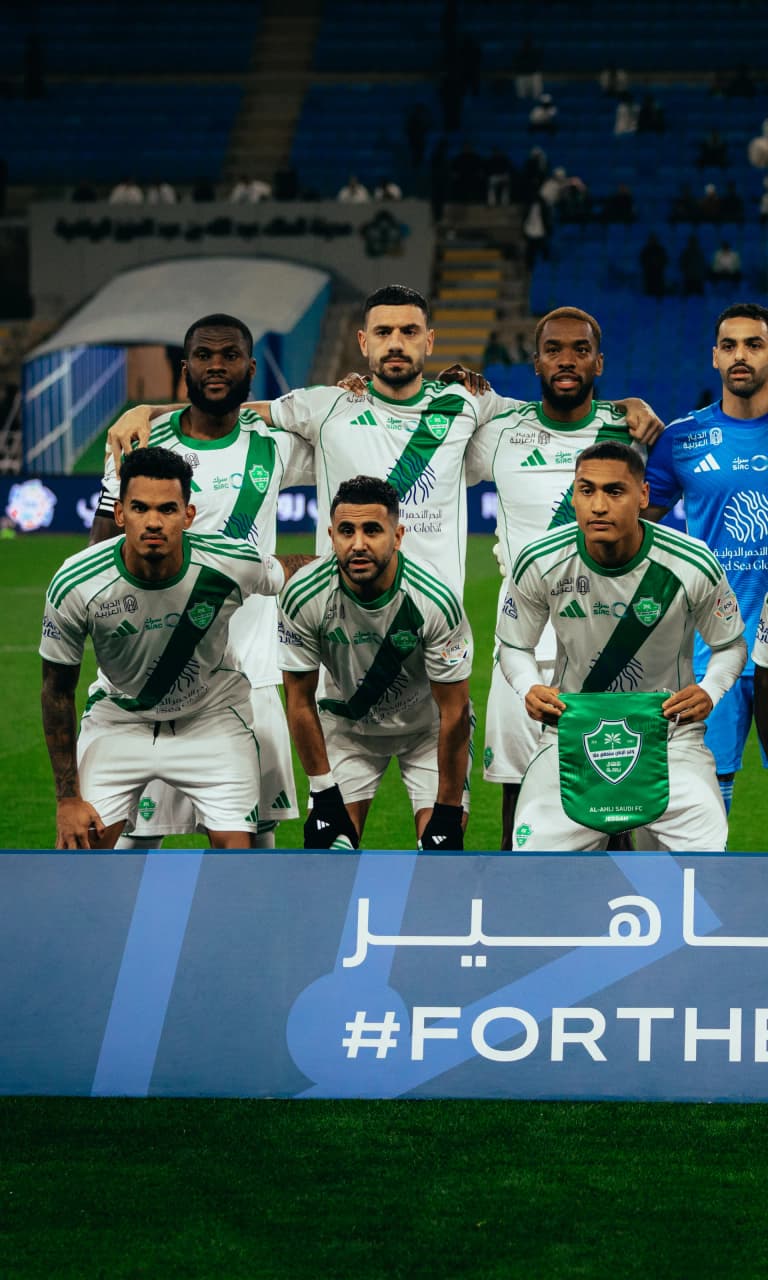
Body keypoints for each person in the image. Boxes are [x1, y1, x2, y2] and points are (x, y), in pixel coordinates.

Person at [90, 313, 313, 850]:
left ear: (251, 369)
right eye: (204, 356)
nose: (216, 366)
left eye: (229, 356)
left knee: (252, 839)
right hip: (151, 668)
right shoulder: (140, 443)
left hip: (250, 672)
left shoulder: (274, 445)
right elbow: (100, 554)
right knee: (131, 842)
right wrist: (148, 413)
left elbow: (345, 427)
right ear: (184, 366)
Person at [40, 448, 306, 850]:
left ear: (188, 515)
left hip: (210, 719)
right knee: (81, 851)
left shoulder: (226, 561)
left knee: (238, 856)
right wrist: (67, 799)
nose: (153, 522)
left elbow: (291, 568)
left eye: (167, 509)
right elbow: (56, 691)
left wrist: (360, 562)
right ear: (120, 514)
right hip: (119, 722)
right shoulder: (76, 582)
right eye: (140, 508)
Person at [465, 307, 663, 848]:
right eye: (554, 349)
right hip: (522, 637)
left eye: (581, 349)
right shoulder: (500, 433)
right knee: (517, 786)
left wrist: (636, 406)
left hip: (609, 631)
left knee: (616, 790)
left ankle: (617, 898)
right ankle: (515, 894)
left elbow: (654, 517)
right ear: (536, 362)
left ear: (599, 362)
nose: (567, 360)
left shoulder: (630, 433)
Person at [497, 441, 746, 851]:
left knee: (703, 857)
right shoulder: (539, 560)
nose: (598, 506)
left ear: (643, 495)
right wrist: (529, 686)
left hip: (670, 738)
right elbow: (513, 645)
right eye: (586, 490)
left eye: (614, 491)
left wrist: (710, 690)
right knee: (534, 855)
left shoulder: (692, 562)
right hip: (572, 734)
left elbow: (730, 645)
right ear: (573, 496)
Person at [279, 475, 472, 851]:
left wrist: (448, 811)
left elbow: (455, 711)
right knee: (329, 853)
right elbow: (299, 700)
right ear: (331, 535)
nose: (358, 544)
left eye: (372, 530)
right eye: (346, 531)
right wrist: (323, 792)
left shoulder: (435, 599)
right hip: (349, 731)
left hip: (427, 730)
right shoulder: (303, 595)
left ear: (397, 536)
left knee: (440, 853)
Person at [645, 302, 768, 816]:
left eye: (754, 344)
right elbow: (636, 526)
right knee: (709, 791)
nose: (741, 355)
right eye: (729, 345)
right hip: (713, 645)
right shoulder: (683, 439)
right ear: (714, 356)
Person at [639, 232, 668, 297]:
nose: (653, 241)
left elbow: (665, 260)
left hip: (658, 273)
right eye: (651, 240)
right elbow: (642, 261)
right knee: (649, 293)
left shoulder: (661, 250)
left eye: (654, 239)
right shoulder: (645, 250)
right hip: (648, 274)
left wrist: (658, 265)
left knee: (659, 292)